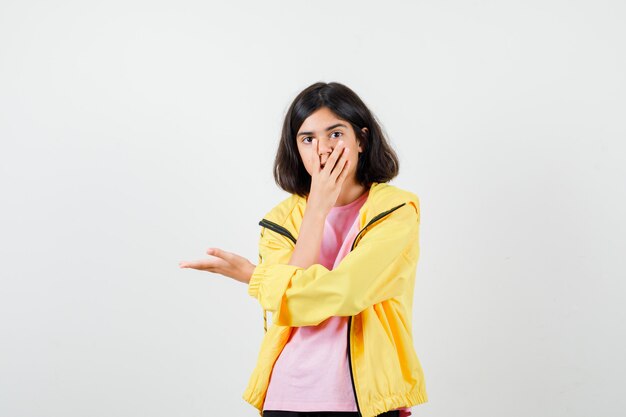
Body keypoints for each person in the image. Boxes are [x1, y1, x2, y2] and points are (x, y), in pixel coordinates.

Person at [179, 82, 428, 417]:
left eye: (335, 134)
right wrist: (317, 208)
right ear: (296, 148)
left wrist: (256, 276)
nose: (322, 149)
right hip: (285, 394)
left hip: (365, 400)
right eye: (308, 139)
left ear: (362, 140)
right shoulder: (279, 220)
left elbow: (346, 293)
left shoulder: (396, 210)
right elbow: (294, 309)